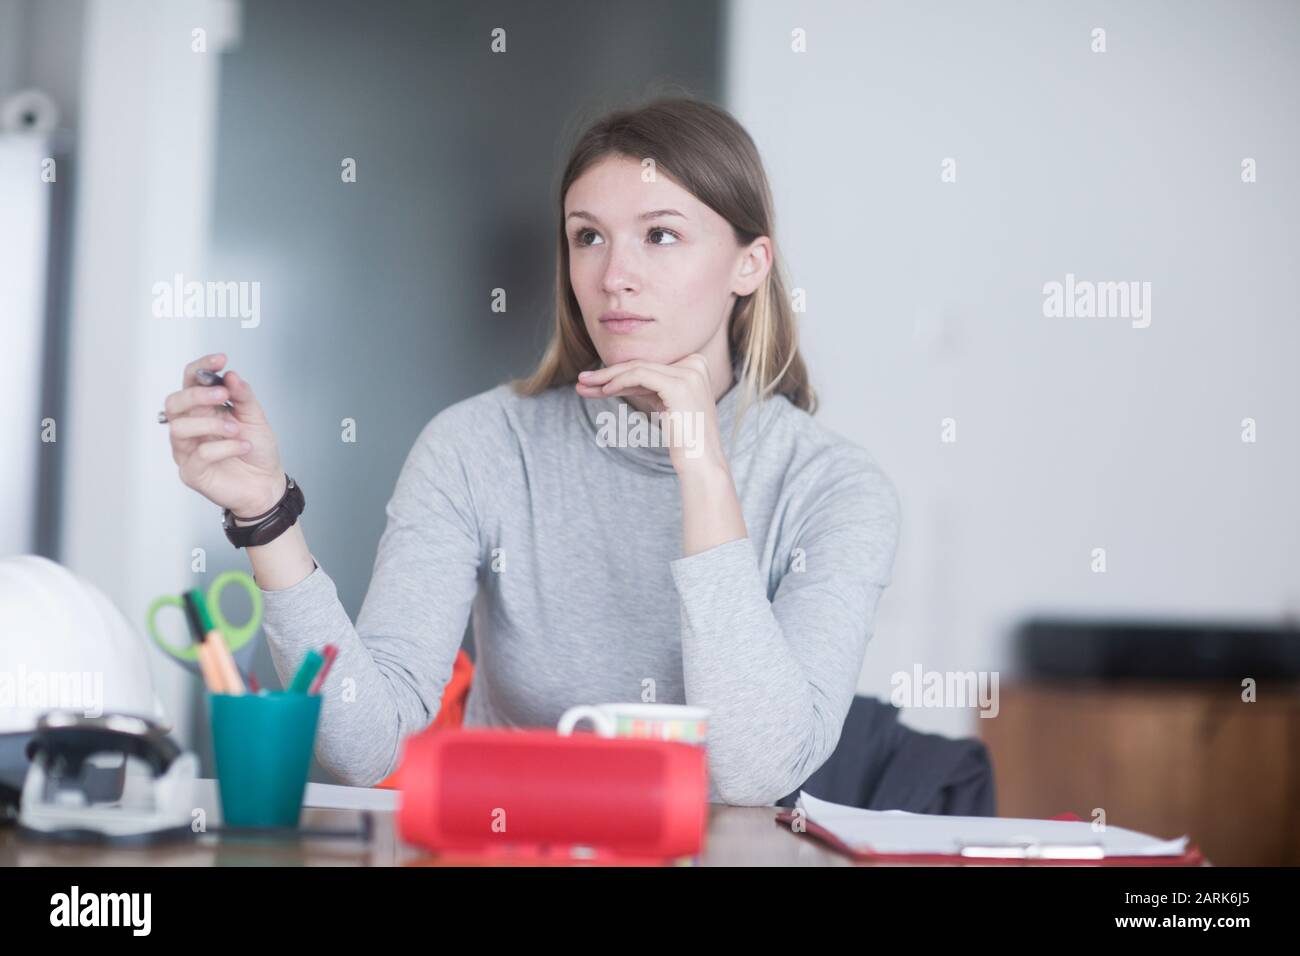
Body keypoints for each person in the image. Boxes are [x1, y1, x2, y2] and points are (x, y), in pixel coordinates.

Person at [160, 97, 901, 806]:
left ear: (750, 264)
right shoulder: (478, 446)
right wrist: (265, 515)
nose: (614, 277)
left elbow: (754, 769)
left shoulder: (835, 490)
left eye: (660, 235)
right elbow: (365, 746)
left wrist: (702, 468)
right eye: (588, 236)